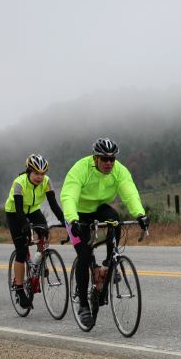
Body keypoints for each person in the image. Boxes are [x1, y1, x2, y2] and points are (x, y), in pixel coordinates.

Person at [61, 138, 149, 328]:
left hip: (99, 207)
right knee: (84, 257)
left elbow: (129, 193)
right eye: (104, 159)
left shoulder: (119, 170)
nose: (109, 163)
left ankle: (111, 263)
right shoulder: (80, 169)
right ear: (95, 158)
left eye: (112, 159)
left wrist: (140, 214)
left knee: (114, 218)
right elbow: (69, 194)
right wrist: (72, 218)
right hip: (77, 213)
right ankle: (83, 305)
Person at [4, 154, 66, 309]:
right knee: (21, 248)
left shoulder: (46, 181)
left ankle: (39, 261)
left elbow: (54, 205)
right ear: (28, 171)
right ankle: (19, 288)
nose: (40, 177)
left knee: (43, 232)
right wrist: (24, 224)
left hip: (33, 210)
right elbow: (19, 210)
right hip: (14, 212)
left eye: (42, 173)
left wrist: (65, 221)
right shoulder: (19, 182)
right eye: (36, 173)